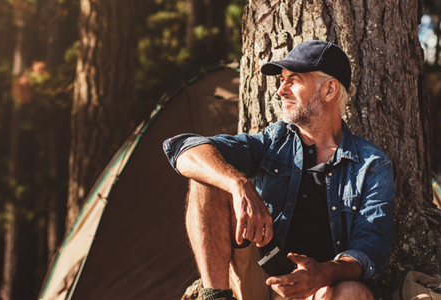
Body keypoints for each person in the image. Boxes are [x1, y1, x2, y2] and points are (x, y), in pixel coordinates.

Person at [163, 40, 395, 300]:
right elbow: (185, 149)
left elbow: (369, 252)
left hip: (319, 290)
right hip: (259, 276)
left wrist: (321, 274)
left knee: (353, 293)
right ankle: (215, 297)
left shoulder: (372, 165)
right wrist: (239, 184)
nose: (280, 91)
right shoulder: (273, 142)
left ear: (329, 90)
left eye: (292, 80)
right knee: (208, 174)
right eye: (281, 80)